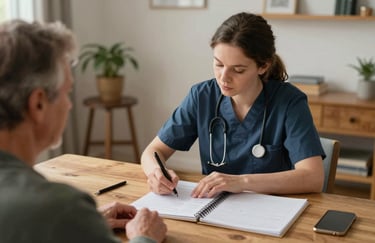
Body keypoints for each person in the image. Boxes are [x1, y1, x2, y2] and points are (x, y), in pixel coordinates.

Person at [0, 19, 166, 243]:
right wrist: (145, 237)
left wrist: (83, 227)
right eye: (67, 92)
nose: (69, 105)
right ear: (38, 103)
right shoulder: (60, 209)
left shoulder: (59, 217)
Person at [141, 12, 325, 198]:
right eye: (219, 64)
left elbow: (313, 177)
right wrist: (156, 173)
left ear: (263, 66)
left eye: (238, 70)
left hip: (270, 208)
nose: (223, 77)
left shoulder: (289, 101)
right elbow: (153, 151)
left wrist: (241, 182)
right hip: (211, 207)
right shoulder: (202, 96)